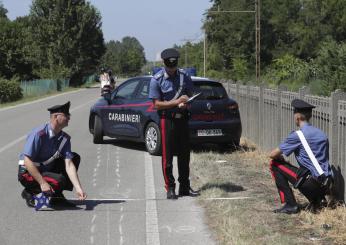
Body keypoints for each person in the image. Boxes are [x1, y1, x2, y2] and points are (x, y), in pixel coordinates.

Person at [149, 48, 199, 199]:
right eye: (169, 66)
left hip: (183, 119)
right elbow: (156, 104)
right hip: (167, 120)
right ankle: (170, 187)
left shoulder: (185, 76)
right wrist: (176, 102)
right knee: (167, 156)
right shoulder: (156, 80)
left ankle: (184, 186)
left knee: (184, 155)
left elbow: (190, 95)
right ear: (164, 64)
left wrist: (186, 103)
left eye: (174, 66)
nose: (172, 69)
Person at [18, 101, 87, 208]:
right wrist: (42, 183)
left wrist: (78, 188)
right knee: (59, 181)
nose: (69, 118)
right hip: (28, 173)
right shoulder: (39, 134)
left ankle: (57, 196)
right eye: (66, 115)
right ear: (55, 117)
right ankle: (29, 191)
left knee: (75, 158)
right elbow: (27, 161)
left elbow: (68, 165)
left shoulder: (64, 138)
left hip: (45, 169)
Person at [269, 99, 333, 214]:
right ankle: (318, 200)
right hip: (326, 184)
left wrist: (280, 158)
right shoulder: (321, 134)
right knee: (302, 170)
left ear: (297, 117)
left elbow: (272, 154)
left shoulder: (297, 135)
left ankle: (290, 204)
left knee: (275, 164)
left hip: (311, 184)